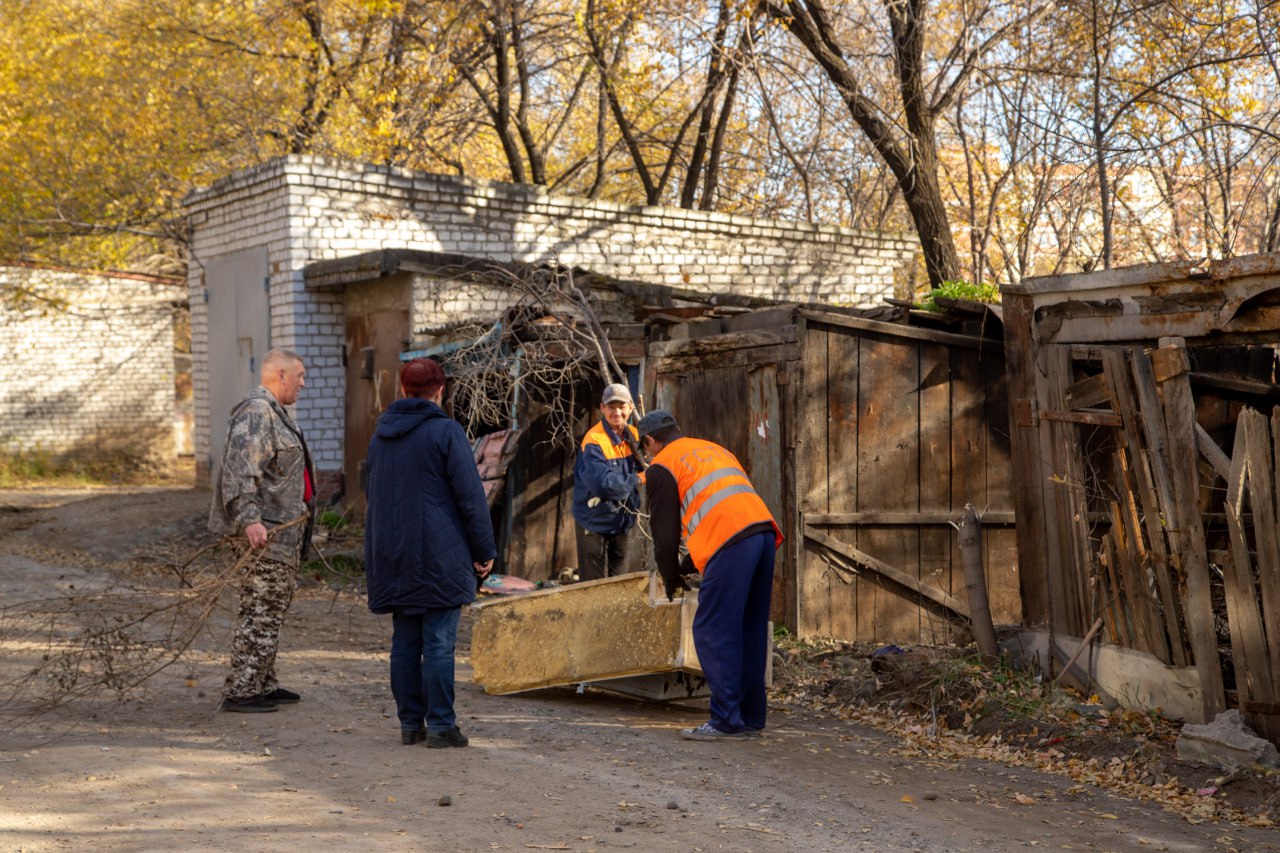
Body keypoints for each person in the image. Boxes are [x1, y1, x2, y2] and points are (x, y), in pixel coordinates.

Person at [364, 358, 496, 748]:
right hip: (440, 552)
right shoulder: (446, 432)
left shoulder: (380, 436)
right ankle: (440, 725)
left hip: (393, 553)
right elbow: (471, 496)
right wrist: (484, 549)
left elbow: (373, 494)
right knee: (438, 642)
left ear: (404, 390)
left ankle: (410, 725)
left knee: (405, 641)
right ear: (441, 391)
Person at [636, 409, 782, 741]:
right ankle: (750, 718)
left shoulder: (661, 465)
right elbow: (718, 509)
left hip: (730, 542)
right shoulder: (712, 450)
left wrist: (670, 576)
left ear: (649, 441)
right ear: (677, 429)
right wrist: (689, 565)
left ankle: (725, 721)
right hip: (762, 536)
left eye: (645, 449)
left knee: (712, 628)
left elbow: (665, 536)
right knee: (749, 628)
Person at [209, 348, 315, 713]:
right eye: (299, 375)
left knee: (272, 609)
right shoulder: (256, 413)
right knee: (259, 611)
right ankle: (242, 690)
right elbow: (241, 472)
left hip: (281, 536)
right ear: (280, 375)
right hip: (263, 535)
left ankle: (262, 681)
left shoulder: (275, 413)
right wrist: (249, 519)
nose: (304, 382)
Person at [571, 383, 644, 581]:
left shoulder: (636, 437)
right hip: (595, 522)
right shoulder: (594, 440)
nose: (617, 412)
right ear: (602, 408)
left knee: (619, 582)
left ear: (630, 407)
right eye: (611, 407)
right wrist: (638, 478)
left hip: (622, 521)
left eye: (621, 407)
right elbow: (602, 485)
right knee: (594, 587)